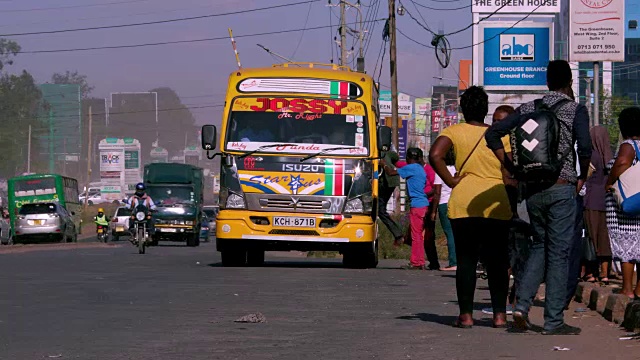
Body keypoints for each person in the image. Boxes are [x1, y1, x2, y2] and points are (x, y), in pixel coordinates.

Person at [485, 60, 592, 335]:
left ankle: (520, 307)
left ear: (546, 82)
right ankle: (553, 321)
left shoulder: (528, 108)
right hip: (561, 187)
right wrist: (580, 178)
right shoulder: (576, 109)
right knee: (558, 252)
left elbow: (494, 133)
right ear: (570, 81)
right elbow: (585, 146)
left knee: (538, 245)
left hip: (532, 190)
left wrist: (511, 167)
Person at [429, 86, 512, 328]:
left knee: (466, 260)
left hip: (464, 201)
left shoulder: (453, 131)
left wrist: (451, 180)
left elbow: (435, 155)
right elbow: (509, 169)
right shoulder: (501, 134)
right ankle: (499, 316)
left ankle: (465, 315)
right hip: (496, 200)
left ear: (463, 109)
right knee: (497, 261)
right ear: (486, 110)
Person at [606, 107, 640, 300]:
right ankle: (638, 290)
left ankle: (627, 287)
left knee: (627, 245)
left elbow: (621, 163)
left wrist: (609, 181)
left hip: (626, 202)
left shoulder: (628, 145)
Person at [381, 147, 429, 270]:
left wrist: (384, 165)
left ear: (408, 158)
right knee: (418, 235)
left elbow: (391, 173)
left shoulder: (411, 168)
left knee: (416, 236)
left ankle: (416, 263)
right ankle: (420, 261)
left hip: (417, 205)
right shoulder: (420, 169)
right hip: (423, 204)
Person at [585, 126, 613, 284]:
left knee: (591, 237)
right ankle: (605, 273)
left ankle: (592, 272)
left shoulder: (591, 155)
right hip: (607, 201)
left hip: (591, 201)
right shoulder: (610, 157)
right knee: (605, 238)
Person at [432, 149, 457, 271]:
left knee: (449, 232)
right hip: (457, 203)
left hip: (443, 203)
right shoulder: (458, 170)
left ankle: (453, 261)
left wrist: (433, 211)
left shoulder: (441, 171)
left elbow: (437, 193)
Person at [378, 149, 404, 247]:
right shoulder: (387, 152)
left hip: (386, 182)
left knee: (380, 210)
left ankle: (398, 235)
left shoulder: (378, 152)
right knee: (380, 210)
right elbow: (396, 157)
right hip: (390, 182)